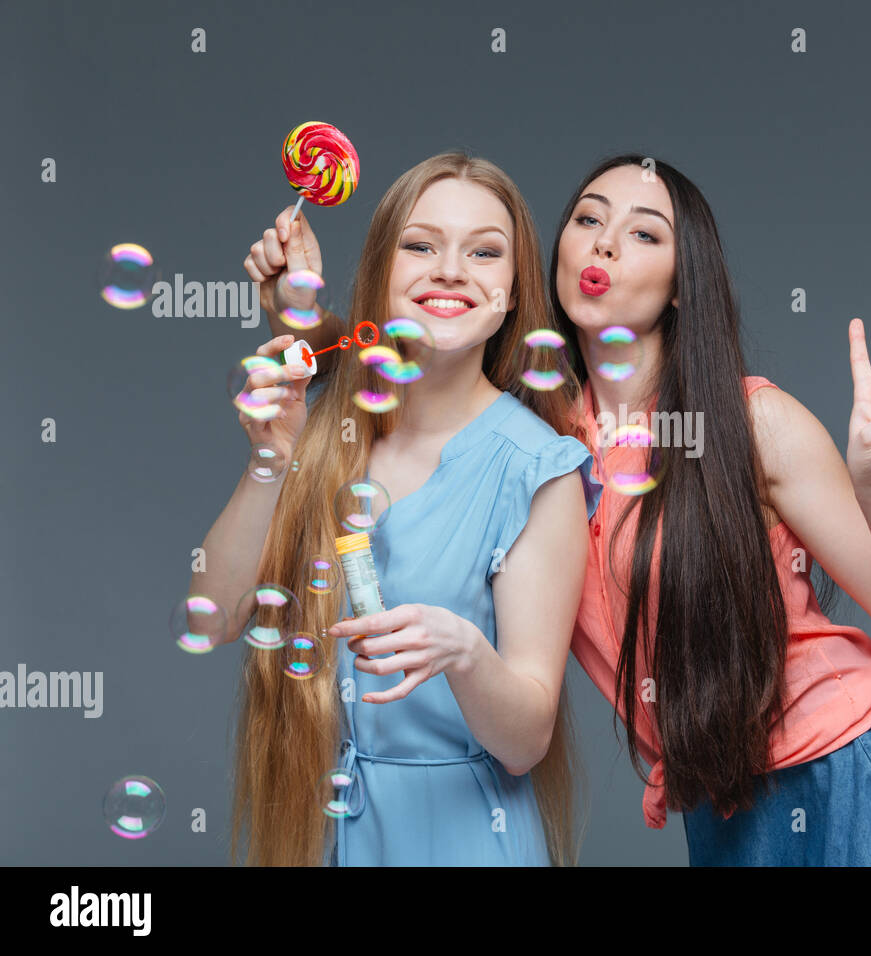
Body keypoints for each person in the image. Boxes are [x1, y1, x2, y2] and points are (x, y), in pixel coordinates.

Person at [547, 153, 871, 865]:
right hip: (722, 809)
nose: (604, 243)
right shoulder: (539, 451)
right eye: (588, 219)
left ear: (681, 287)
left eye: (645, 234)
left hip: (852, 781)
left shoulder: (751, 423)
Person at [193, 152, 599, 866]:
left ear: (510, 292)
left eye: (484, 251)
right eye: (420, 244)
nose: (450, 269)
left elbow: (526, 739)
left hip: (466, 841)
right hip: (327, 834)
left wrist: (466, 653)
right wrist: (271, 459)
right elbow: (217, 615)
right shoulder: (327, 433)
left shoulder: (538, 468)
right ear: (381, 267)